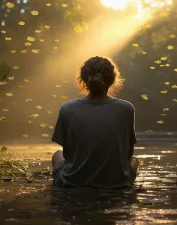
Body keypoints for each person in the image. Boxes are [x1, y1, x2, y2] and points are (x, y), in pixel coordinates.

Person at [51, 56, 139, 188]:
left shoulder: (67, 109)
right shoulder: (126, 108)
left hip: (74, 182)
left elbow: (67, 154)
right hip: (117, 183)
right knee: (134, 160)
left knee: (57, 155)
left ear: (84, 80)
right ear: (113, 80)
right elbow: (128, 153)